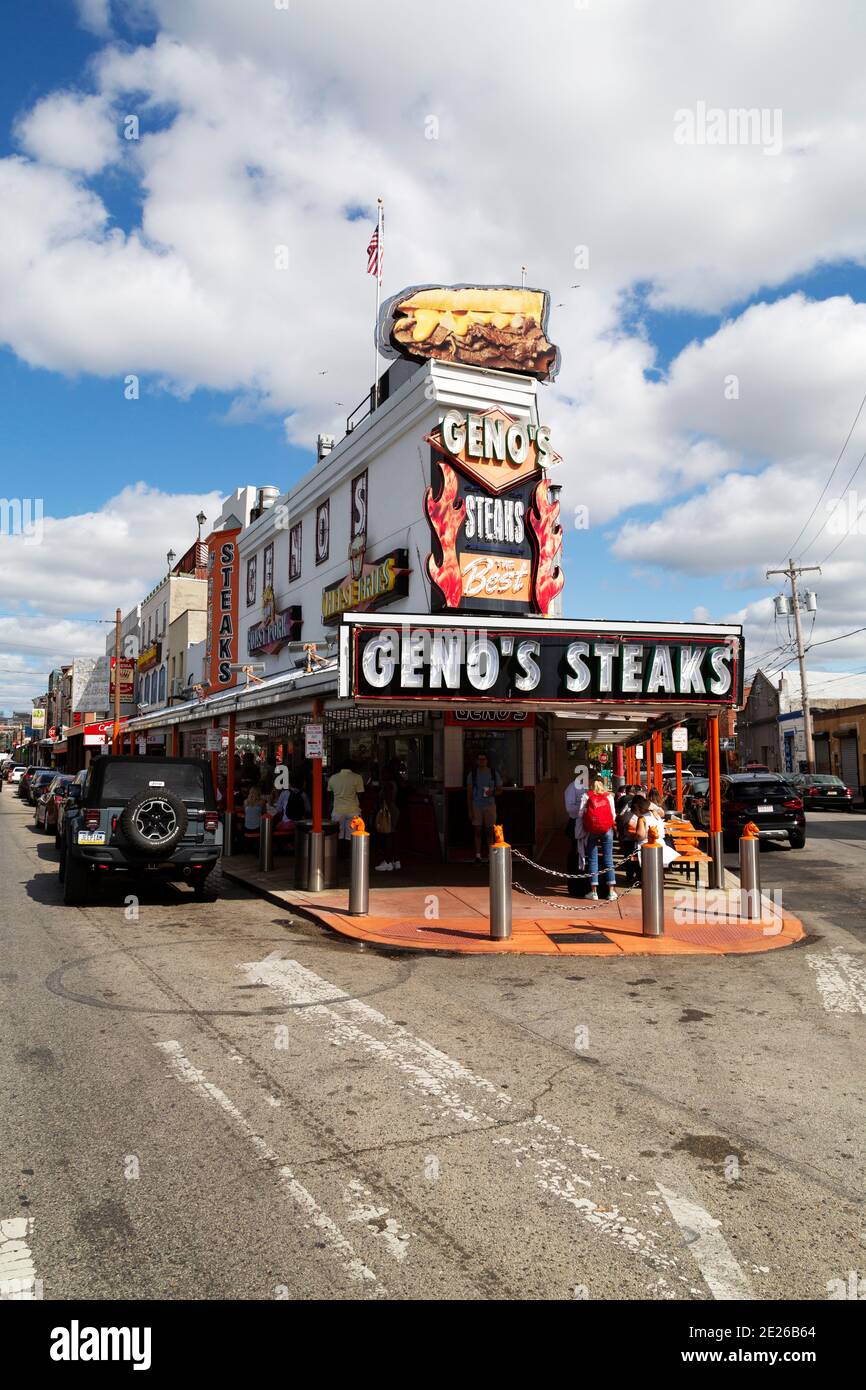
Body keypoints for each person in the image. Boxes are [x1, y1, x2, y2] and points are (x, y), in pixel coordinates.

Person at [582, 777, 619, 902]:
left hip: (592, 830)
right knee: (608, 859)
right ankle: (611, 891)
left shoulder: (586, 796)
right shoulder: (609, 796)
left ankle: (594, 892)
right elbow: (613, 814)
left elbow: (580, 813)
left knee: (593, 860)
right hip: (607, 829)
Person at [466, 751, 502, 862]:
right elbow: (469, 794)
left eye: (484, 759)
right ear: (477, 761)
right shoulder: (473, 775)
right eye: (480, 759)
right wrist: (470, 810)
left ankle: (491, 855)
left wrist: (493, 792)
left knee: (489, 831)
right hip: (477, 805)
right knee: (477, 830)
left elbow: (500, 790)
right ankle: (478, 855)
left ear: (487, 761)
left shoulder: (493, 773)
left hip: (490, 805)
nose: (482, 761)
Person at [328, 759, 365, 842]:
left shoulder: (333, 778)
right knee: (352, 837)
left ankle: (338, 854)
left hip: (337, 811)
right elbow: (361, 795)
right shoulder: (357, 777)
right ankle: (350, 854)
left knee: (337, 837)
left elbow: (330, 795)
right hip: (353, 810)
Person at [564, 766, 589, 875]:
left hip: (591, 824)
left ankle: (589, 874)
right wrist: (584, 808)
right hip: (576, 823)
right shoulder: (572, 787)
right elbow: (569, 808)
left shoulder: (592, 787)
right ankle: (577, 872)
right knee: (576, 849)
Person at [374, 775, 401, 872]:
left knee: (387, 836)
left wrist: (384, 810)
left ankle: (388, 861)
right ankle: (396, 860)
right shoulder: (394, 784)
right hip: (393, 810)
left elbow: (388, 799)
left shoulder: (387, 785)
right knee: (393, 836)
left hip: (388, 811)